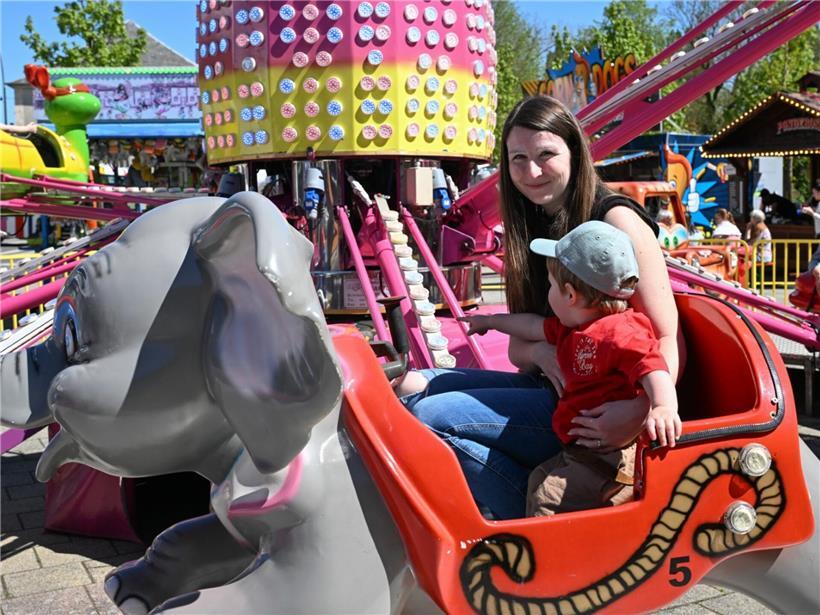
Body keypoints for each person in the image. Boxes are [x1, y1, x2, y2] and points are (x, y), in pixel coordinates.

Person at [397, 96, 683, 520]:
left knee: (429, 416)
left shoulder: (614, 224)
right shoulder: (531, 225)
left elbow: (664, 336)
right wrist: (543, 352)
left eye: (546, 154)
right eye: (518, 159)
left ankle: (533, 528)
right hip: (555, 389)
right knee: (409, 387)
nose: (531, 172)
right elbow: (520, 349)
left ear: (574, 152)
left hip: (597, 410)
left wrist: (642, 411)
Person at [459, 221, 680, 517]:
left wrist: (663, 405)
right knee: (538, 481)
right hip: (581, 450)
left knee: (546, 500)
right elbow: (530, 326)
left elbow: (653, 367)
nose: (548, 293)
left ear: (570, 295)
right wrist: (489, 322)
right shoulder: (572, 328)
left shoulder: (621, 331)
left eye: (551, 285)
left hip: (610, 454)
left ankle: (545, 559)